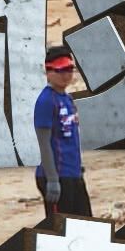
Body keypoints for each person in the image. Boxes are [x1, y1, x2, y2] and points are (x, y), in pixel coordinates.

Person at [35, 46, 90, 224]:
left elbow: (72, 139)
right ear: (49, 72)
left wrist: (79, 168)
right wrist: (52, 179)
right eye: (60, 70)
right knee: (61, 231)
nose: (65, 75)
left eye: (68, 69)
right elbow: (44, 142)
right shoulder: (46, 101)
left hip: (73, 174)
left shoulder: (68, 99)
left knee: (86, 225)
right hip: (57, 175)